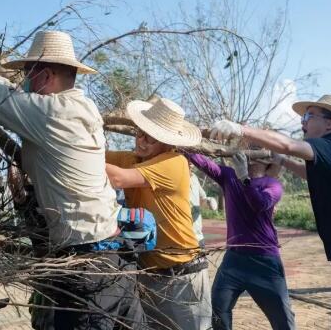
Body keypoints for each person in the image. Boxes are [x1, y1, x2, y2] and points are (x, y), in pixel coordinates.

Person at [0, 30, 146, 329]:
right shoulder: (83, 107)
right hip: (115, 258)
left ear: (45, 76)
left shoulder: (50, 113)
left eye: (28, 74)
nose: (25, 82)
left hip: (87, 267)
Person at [210, 95, 331, 330]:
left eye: (309, 116)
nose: (303, 123)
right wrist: (283, 160)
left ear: (329, 124)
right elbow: (310, 173)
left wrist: (240, 130)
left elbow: (288, 145)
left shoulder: (329, 144)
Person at [105, 97, 212, 330]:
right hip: (149, 274)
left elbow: (117, 178)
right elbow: (98, 156)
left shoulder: (174, 162)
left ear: (166, 141)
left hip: (181, 277)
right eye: (139, 133)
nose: (141, 141)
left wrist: (75, 161)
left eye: (150, 137)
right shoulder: (133, 158)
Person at [186, 150, 295, 330]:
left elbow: (259, 203)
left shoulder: (273, 185)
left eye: (256, 147)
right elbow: (203, 162)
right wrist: (181, 143)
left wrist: (244, 176)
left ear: (266, 159)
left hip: (265, 261)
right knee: (219, 308)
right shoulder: (229, 176)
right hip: (234, 260)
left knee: (283, 319)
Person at [189, 164, 218, 247]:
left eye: (192, 165)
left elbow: (202, 199)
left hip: (198, 236)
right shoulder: (176, 179)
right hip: (185, 237)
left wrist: (209, 201)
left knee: (201, 259)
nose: (191, 166)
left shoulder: (194, 177)